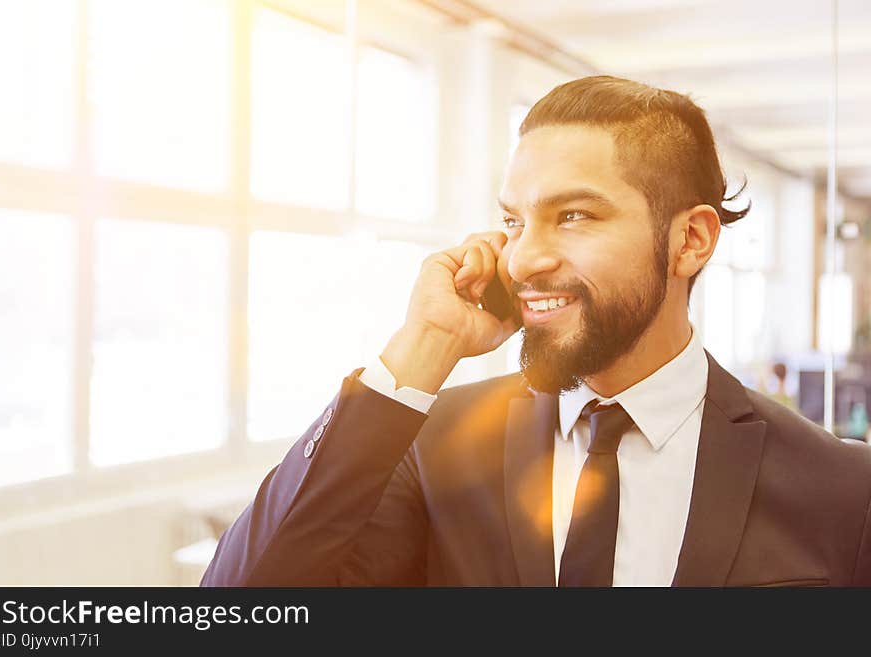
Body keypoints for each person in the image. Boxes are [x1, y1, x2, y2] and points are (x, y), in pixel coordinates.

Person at [201, 76, 871, 587]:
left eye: (574, 215)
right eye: (515, 221)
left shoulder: (842, 489)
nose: (522, 258)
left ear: (690, 239)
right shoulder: (434, 450)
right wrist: (425, 343)